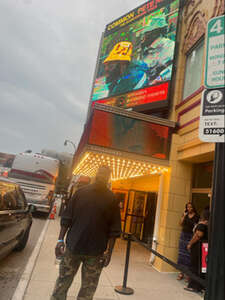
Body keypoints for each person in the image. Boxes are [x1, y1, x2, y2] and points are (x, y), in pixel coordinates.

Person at [51, 166, 121, 300]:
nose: (102, 176)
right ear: (96, 174)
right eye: (100, 173)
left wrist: (109, 253)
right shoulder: (80, 193)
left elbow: (114, 230)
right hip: (73, 248)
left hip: (95, 254)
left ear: (108, 178)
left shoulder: (112, 199)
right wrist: (60, 240)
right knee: (62, 283)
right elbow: (67, 219)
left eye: (105, 175)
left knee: (88, 290)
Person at [140, 16, 175, 85]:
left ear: (155, 33)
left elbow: (174, 67)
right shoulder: (146, 51)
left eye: (147, 33)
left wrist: (159, 79)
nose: (143, 37)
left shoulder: (169, 46)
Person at [184, 208, 210, 293]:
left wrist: (190, 244)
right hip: (204, 247)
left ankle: (193, 286)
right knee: (202, 267)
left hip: (198, 247)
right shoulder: (209, 225)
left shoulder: (202, 225)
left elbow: (198, 235)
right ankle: (201, 286)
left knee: (195, 266)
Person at [177, 202, 199, 280]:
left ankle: (188, 274)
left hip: (190, 236)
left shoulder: (197, 216)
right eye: (188, 207)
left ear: (193, 208)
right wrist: (184, 215)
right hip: (183, 236)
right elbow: (180, 224)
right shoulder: (185, 215)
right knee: (181, 255)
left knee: (188, 255)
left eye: (190, 207)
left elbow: (197, 227)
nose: (189, 209)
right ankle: (181, 273)